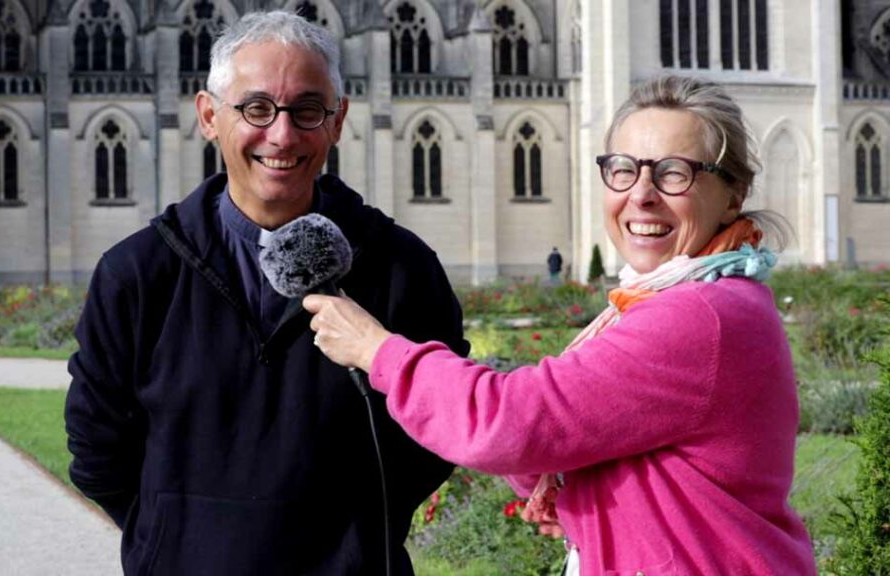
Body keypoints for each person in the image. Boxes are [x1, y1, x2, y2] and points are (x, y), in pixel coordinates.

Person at [304, 75, 817, 575]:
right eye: (624, 169)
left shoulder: (699, 315)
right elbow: (559, 434)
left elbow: (509, 422)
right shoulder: (680, 296)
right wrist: (567, 485)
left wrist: (378, 350)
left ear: (733, 195)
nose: (641, 194)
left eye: (674, 172)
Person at [64, 11, 467, 575]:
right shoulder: (137, 274)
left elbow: (438, 424)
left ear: (337, 120)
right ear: (208, 116)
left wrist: (352, 536)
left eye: (307, 110)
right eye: (256, 108)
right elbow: (96, 445)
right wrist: (175, 537)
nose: (282, 135)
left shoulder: (402, 269)